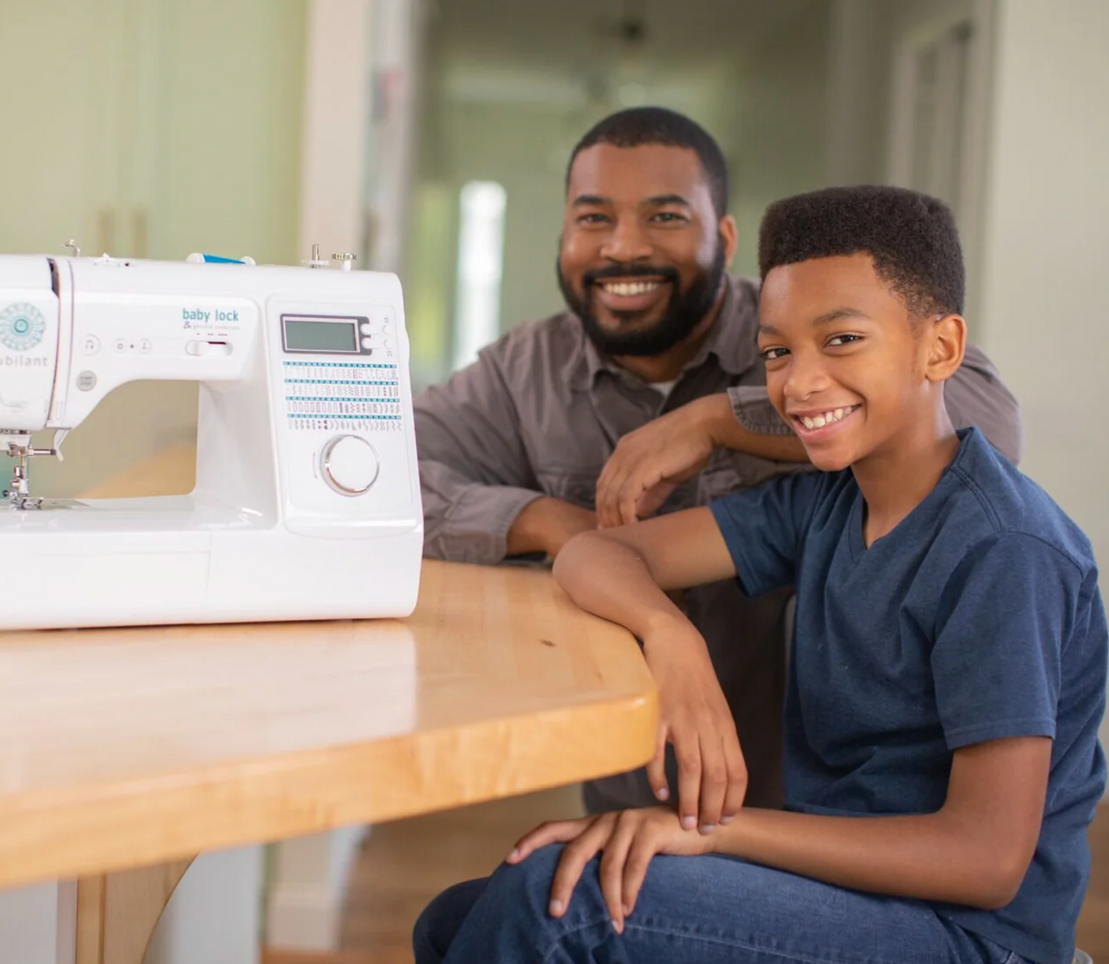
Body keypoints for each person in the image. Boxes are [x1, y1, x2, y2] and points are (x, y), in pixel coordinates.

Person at [412, 185, 1107, 964]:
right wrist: (669, 637)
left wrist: (710, 833)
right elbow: (595, 553)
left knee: (551, 909)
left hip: (965, 936)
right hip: (844, 891)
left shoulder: (1004, 548)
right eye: (777, 351)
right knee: (453, 918)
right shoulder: (822, 505)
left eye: (840, 340)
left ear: (939, 349)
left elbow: (984, 861)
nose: (798, 384)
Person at [415, 106, 1023, 820]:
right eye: (592, 218)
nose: (621, 248)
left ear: (724, 239)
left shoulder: (795, 331)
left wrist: (717, 420)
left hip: (818, 807)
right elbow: (381, 486)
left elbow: (981, 421)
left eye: (664, 217)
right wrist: (552, 522)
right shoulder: (522, 370)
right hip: (631, 789)